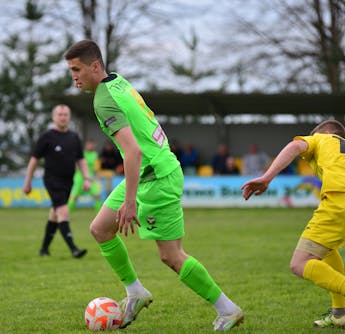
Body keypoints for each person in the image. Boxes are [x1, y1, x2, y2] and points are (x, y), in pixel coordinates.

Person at [64, 39, 243, 331]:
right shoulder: (117, 83)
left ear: (95, 66)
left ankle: (228, 309)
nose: (73, 76)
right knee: (100, 228)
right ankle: (135, 292)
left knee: (171, 255)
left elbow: (132, 151)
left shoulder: (102, 100)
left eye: (77, 69)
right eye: (71, 70)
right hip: (147, 171)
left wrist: (130, 201)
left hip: (156, 177)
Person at [241, 119, 345, 332]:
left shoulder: (321, 138)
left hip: (342, 199)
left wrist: (266, 178)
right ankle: (339, 315)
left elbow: (295, 146)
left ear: (324, 133)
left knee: (300, 263)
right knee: (327, 249)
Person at [23, 104, 89, 259]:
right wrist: (28, 181)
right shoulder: (47, 137)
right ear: (54, 117)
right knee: (63, 211)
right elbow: (34, 160)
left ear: (69, 117)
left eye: (65, 114)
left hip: (68, 181)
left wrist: (87, 178)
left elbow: (81, 159)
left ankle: (44, 249)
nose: (63, 117)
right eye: (60, 114)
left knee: (55, 214)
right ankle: (74, 249)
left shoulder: (74, 137)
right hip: (52, 180)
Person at [68, 139, 102, 213]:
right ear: (86, 145)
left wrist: (96, 176)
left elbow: (96, 167)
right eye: (90, 144)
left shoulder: (95, 154)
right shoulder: (81, 153)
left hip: (90, 178)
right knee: (74, 197)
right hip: (79, 177)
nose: (91, 146)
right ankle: (66, 215)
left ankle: (99, 215)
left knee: (97, 196)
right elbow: (77, 165)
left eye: (93, 144)